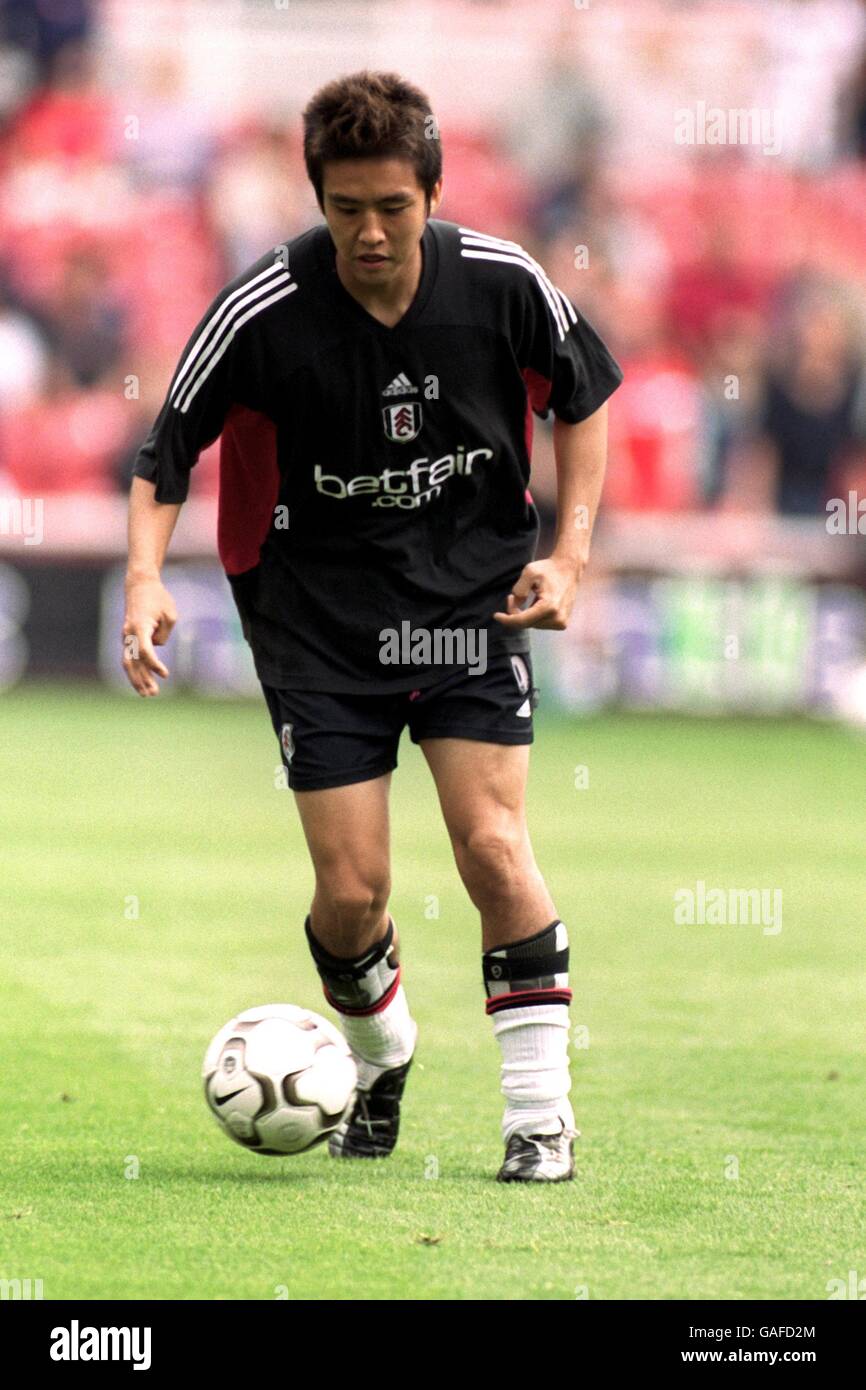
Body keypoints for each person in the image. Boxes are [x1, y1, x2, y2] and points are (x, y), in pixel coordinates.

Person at [122, 70, 623, 1182]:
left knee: (492, 845)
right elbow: (165, 453)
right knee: (352, 898)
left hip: (465, 606)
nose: (369, 232)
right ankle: (381, 1052)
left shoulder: (501, 285)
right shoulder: (259, 311)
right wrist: (143, 579)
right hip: (316, 629)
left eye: (391, 207)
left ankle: (538, 1118)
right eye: (344, 209)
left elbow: (582, 397)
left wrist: (571, 554)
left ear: (432, 193)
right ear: (317, 202)